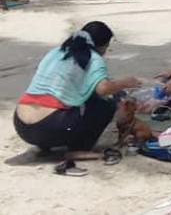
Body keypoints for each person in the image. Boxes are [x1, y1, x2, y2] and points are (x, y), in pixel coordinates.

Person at [14, 22, 139, 173]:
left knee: (73, 101)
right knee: (106, 104)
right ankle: (79, 150)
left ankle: (45, 146)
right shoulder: (94, 58)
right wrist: (124, 83)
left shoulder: (56, 52)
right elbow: (103, 89)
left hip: (22, 125)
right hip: (50, 127)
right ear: (102, 45)